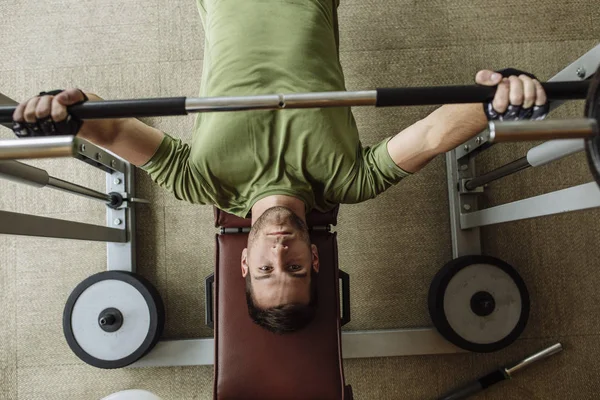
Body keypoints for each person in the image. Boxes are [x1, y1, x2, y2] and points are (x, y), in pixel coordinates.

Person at [11, 0, 548, 334]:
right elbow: (432, 136)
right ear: (316, 260)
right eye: (294, 268)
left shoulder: (201, 182)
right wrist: (498, 97)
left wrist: (59, 113)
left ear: (242, 263)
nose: (279, 253)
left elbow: (108, 128)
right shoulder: (350, 181)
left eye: (266, 269)